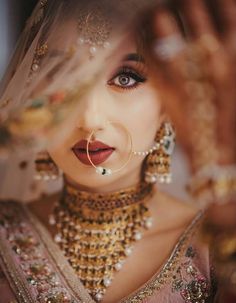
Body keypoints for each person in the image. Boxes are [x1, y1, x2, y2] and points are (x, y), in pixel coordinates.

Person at [0, 0, 222, 302]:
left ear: (169, 99)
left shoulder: (217, 245)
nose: (90, 120)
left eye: (126, 78)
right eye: (65, 76)